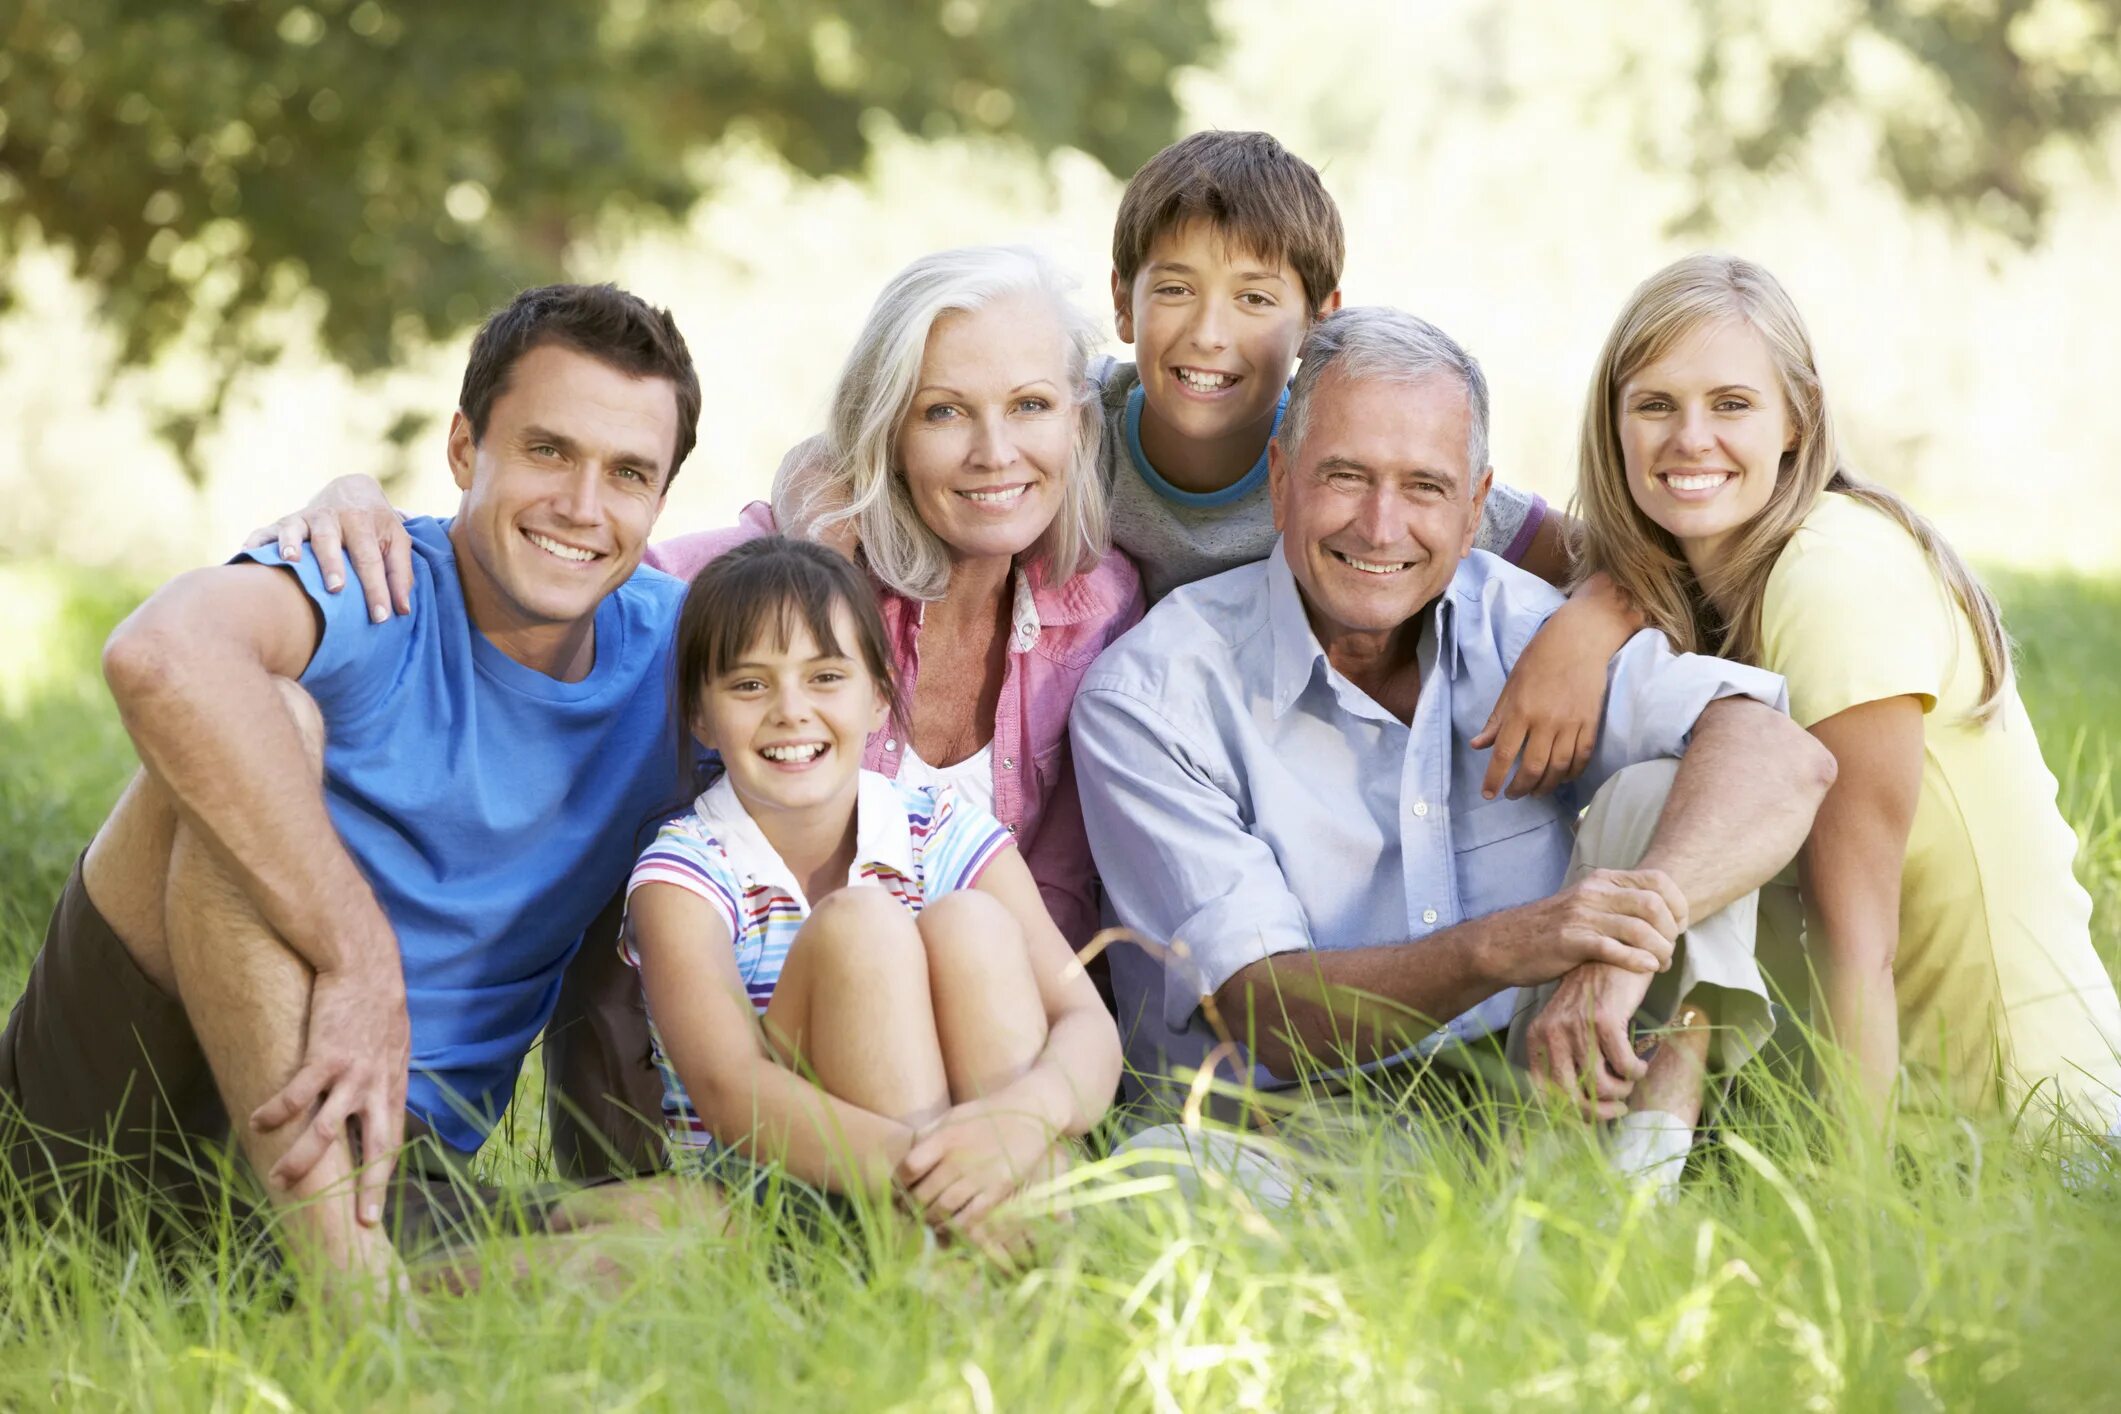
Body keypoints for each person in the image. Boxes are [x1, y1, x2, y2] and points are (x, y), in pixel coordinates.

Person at [0, 283, 712, 1302]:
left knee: (703, 1227)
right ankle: (353, 1305)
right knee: (263, 723)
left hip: (392, 1163)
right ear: (466, 449)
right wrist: (356, 952)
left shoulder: (677, 653)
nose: (583, 507)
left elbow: (830, 725)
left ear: (660, 500)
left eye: (629, 472)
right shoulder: (372, 576)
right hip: (125, 1106)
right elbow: (162, 655)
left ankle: (307, 1285)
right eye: (548, 450)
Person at [1072, 306, 1838, 1189]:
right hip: (1288, 1131)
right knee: (1156, 1186)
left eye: (1425, 487)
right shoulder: (1154, 694)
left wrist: (1619, 943)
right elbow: (1265, 1010)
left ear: (1475, 507)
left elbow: (1782, 758)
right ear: (1279, 480)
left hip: (1538, 1103)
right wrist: (1508, 946)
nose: (1381, 525)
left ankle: (1635, 1203)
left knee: (1671, 792)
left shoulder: (1518, 626)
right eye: (1345, 476)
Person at [256, 246, 1141, 953]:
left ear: (1076, 420)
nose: (995, 452)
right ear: (887, 431)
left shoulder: (1103, 608)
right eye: (944, 411)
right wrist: (355, 498)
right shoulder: (736, 586)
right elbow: (553, 565)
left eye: (1029, 405)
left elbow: (1067, 901)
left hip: (993, 1045)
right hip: (761, 1040)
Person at [1570, 252, 2121, 1132]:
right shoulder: (1706, 586)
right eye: (1654, 405)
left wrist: (1855, 1217)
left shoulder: (1831, 576)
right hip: (1894, 1110)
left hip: (2025, 1128)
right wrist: (1581, 620)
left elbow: (1856, 941)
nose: (1689, 439)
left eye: (1732, 405)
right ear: (1615, 425)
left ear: (1799, 421)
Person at [625, 537, 1120, 1253]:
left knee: (971, 925)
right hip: (780, 1201)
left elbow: (1086, 1024)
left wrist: (1015, 1124)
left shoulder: (941, 830)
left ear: (880, 695)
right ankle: (949, 1269)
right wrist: (937, 1171)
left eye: (825, 677)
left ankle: (1021, 1273)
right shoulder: (685, 874)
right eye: (748, 685)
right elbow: (731, 1094)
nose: (790, 711)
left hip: (984, 1169)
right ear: (701, 717)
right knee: (861, 926)